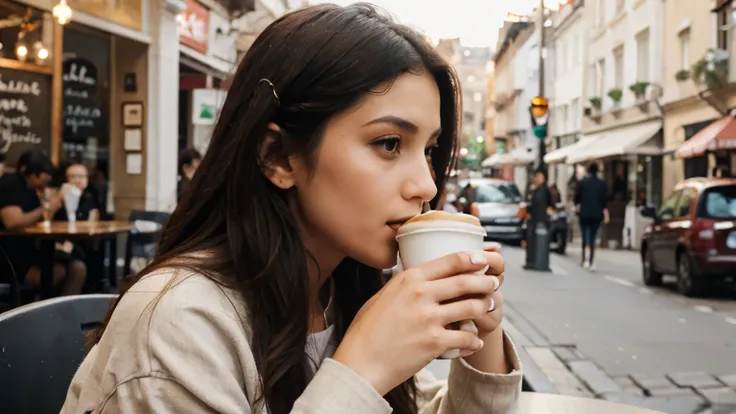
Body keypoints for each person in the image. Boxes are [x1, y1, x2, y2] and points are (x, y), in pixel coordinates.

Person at [61, 4, 521, 413]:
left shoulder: (340, 293)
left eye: (429, 150)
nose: (425, 184)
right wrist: (362, 369)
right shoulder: (178, 321)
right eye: (388, 143)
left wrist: (481, 337)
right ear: (277, 157)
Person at [0, 150, 87, 295]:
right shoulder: (10, 184)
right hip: (10, 260)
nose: (48, 179)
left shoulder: (32, 189)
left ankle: (68, 316)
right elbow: (12, 222)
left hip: (32, 252)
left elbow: (43, 220)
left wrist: (54, 205)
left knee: (78, 268)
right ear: (32, 174)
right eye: (45, 175)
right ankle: (44, 312)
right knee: (56, 273)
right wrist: (46, 208)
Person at [574, 162, 608, 270]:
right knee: (593, 237)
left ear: (588, 170)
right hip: (596, 213)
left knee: (585, 236)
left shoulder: (582, 182)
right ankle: (592, 260)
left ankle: (584, 259)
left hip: (584, 213)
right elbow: (604, 199)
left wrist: (578, 205)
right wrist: (603, 210)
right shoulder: (602, 183)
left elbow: (576, 198)